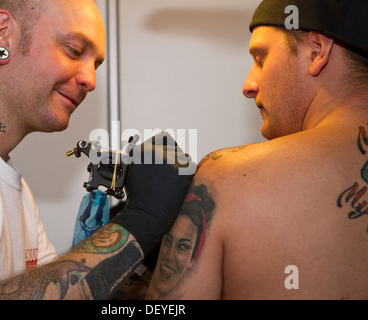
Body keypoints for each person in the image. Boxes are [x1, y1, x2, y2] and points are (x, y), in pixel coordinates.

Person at [0, 0, 194, 300]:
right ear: (2, 35)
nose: (90, 80)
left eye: (96, 65)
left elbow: (57, 292)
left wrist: (145, 253)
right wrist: (138, 223)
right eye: (74, 51)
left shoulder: (12, 185)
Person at [147, 0, 368, 300]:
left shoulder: (226, 179)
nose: (249, 85)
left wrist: (136, 224)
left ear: (316, 51)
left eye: (260, 58)